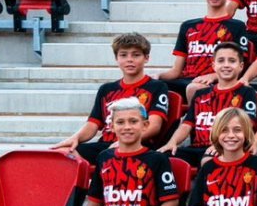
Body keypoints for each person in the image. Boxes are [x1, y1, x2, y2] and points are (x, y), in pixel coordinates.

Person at [44, 98, 181, 206]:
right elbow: (97, 199)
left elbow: (171, 201)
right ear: (112, 127)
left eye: (133, 121)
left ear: (145, 125)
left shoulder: (157, 159)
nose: (127, 127)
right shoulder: (104, 157)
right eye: (120, 122)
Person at [52, 33, 173, 163]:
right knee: (63, 154)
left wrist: (123, 143)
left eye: (136, 55)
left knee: (116, 154)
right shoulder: (106, 90)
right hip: (106, 144)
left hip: (138, 145)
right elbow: (93, 124)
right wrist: (75, 138)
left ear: (146, 58)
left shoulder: (157, 87)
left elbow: (154, 126)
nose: (129, 59)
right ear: (116, 58)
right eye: (123, 55)